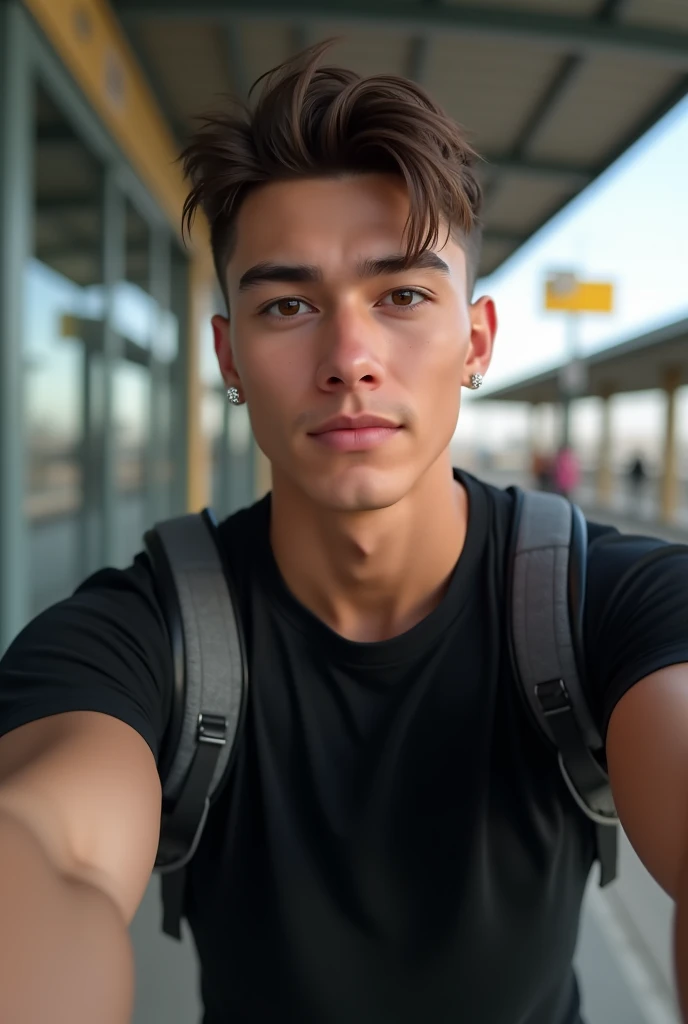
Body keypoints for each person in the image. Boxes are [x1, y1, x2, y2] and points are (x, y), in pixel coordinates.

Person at [1, 43, 688, 1024]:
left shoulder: (604, 604)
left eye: (402, 295)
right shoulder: (145, 633)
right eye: (289, 304)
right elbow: (48, 844)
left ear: (477, 342)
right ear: (229, 355)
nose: (349, 358)